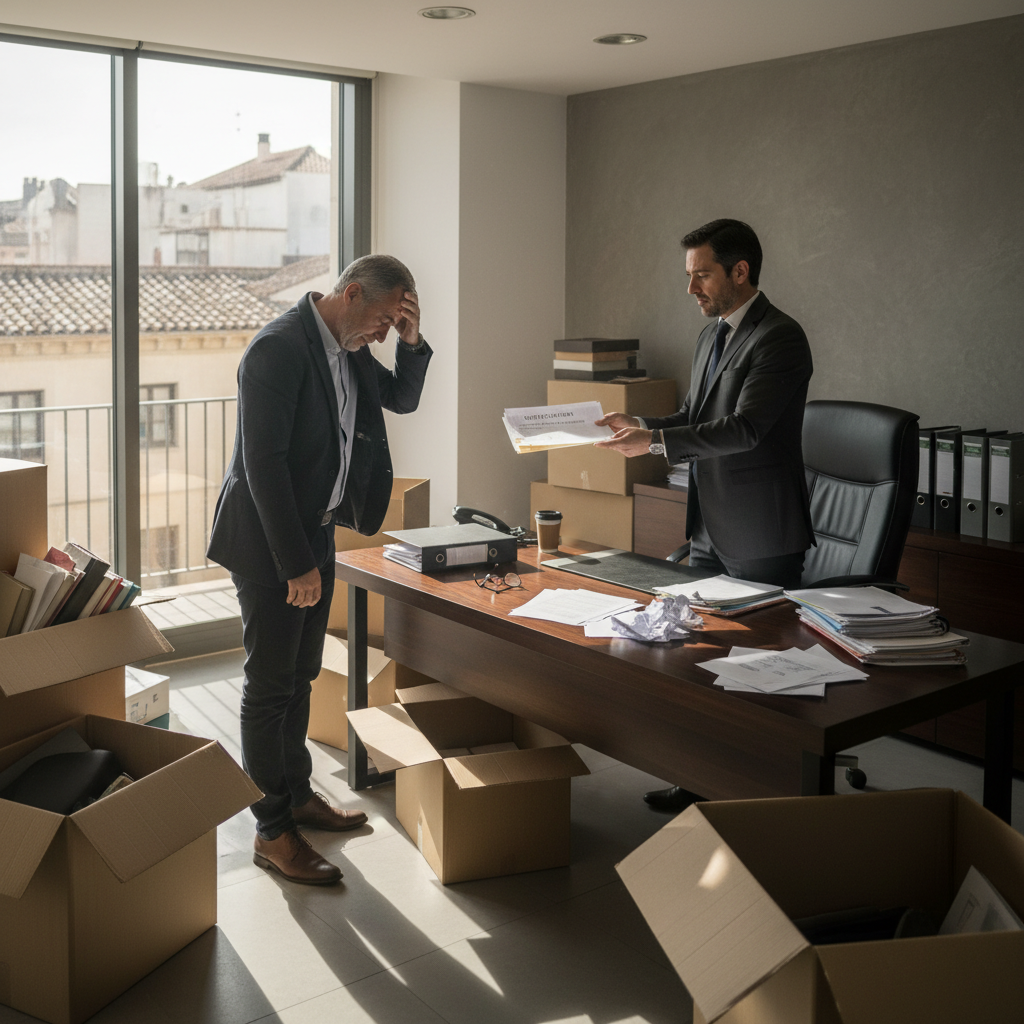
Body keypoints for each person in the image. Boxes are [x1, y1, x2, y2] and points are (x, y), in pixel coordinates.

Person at [208, 254, 432, 883]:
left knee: (302, 675)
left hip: (316, 532)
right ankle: (272, 830)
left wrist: (411, 343)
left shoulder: (350, 346)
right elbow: (263, 468)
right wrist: (296, 565)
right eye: (385, 319)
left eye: (395, 326)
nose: (384, 334)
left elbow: (402, 399)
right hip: (270, 545)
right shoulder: (277, 350)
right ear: (352, 293)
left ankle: (298, 794)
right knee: (270, 684)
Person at [594, 219, 813, 812]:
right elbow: (694, 415)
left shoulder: (780, 338)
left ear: (740, 272)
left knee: (759, 666)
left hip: (761, 528)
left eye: (702, 276)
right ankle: (700, 778)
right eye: (688, 278)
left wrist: (657, 446)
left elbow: (744, 429)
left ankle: (765, 794)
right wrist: (642, 429)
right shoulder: (712, 335)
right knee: (702, 657)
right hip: (709, 523)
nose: (692, 290)